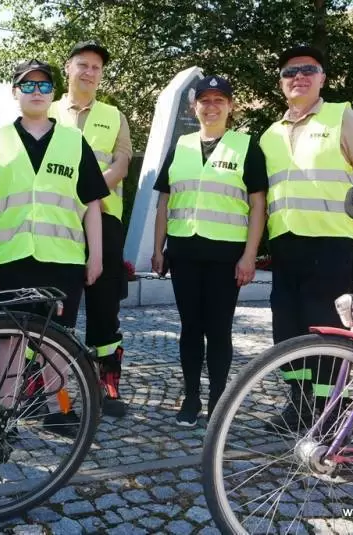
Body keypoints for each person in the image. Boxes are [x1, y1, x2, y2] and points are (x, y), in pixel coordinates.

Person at [0, 59, 109, 437]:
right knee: (10, 339)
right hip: (10, 259)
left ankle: (58, 410)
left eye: (44, 86)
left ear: (53, 94)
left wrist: (96, 255)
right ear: (14, 92)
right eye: (27, 85)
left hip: (62, 260)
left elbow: (92, 204)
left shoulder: (73, 141)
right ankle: (3, 415)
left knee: (57, 341)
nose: (36, 92)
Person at [260, 45, 353, 431]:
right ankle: (299, 403)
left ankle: (330, 410)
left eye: (308, 69)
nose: (298, 76)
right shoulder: (269, 135)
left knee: (328, 328)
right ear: (281, 82)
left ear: (322, 78)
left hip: (331, 245)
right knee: (288, 328)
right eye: (290, 71)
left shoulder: (342, 116)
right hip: (285, 245)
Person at [151, 75, 267, 427]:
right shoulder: (181, 146)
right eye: (205, 100)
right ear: (194, 107)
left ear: (231, 106)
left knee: (218, 330)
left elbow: (258, 205)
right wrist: (158, 248)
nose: (211, 106)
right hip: (184, 252)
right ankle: (191, 398)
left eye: (219, 100)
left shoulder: (246, 147)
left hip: (225, 257)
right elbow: (164, 201)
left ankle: (219, 401)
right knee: (190, 329)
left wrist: (249, 255)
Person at [48, 40, 133, 418]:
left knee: (104, 306)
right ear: (68, 68)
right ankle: (49, 390)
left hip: (106, 220)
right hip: (57, 221)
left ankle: (106, 385)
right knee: (54, 306)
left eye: (96, 67)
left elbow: (122, 163)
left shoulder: (114, 115)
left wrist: (89, 196)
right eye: (82, 64)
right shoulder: (47, 110)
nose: (89, 72)